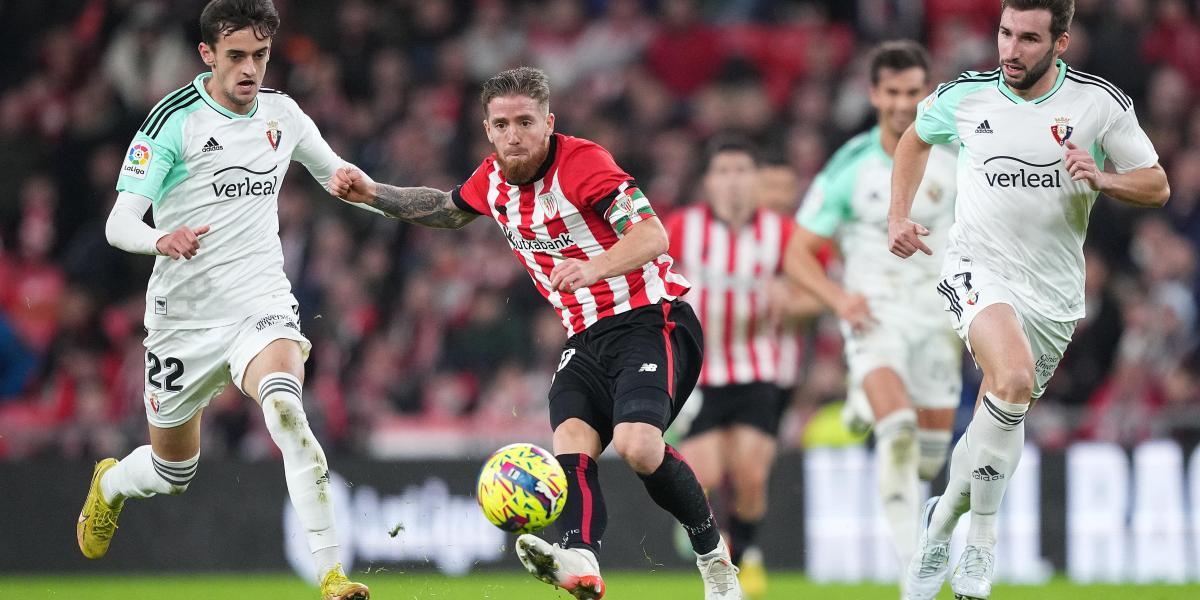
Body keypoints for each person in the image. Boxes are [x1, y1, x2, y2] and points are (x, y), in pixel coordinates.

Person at [330, 66, 743, 600]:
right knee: (571, 442)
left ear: (549, 123)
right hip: (584, 337)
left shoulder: (584, 163)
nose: (514, 135)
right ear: (487, 129)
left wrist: (594, 269)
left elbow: (652, 234)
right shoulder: (492, 180)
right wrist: (371, 193)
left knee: (638, 446)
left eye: (526, 121)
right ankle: (580, 562)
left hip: (651, 317)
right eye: (502, 124)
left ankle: (715, 561)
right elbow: (445, 210)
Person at [74, 2, 370, 599]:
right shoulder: (171, 123)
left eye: (259, 55)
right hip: (183, 319)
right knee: (172, 471)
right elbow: (117, 222)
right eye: (236, 56)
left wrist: (376, 193)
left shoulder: (284, 115)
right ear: (207, 54)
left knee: (286, 412)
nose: (250, 68)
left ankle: (332, 574)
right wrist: (161, 237)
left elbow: (337, 173)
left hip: (260, 303)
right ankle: (109, 485)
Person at [889, 2, 1169, 599]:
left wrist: (1103, 178)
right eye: (1004, 33)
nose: (1010, 50)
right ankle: (983, 542)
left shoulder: (1099, 103)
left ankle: (940, 522)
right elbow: (914, 140)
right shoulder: (967, 96)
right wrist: (898, 215)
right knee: (1011, 378)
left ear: (1061, 43)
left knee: (1000, 413)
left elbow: (1157, 183)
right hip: (976, 268)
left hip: (1055, 296)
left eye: (1029, 39)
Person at [784, 40, 961, 587]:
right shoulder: (850, 165)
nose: (903, 104)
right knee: (900, 433)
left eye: (913, 92)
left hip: (941, 320)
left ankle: (860, 407)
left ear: (927, 93)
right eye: (892, 92)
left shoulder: (958, 157)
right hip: (874, 316)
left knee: (930, 461)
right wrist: (839, 300)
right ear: (873, 94)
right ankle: (916, 574)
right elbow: (796, 253)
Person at [664, 137, 819, 598]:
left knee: (751, 478)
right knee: (704, 478)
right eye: (723, 172)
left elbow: (816, 294)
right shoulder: (681, 228)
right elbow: (649, 279)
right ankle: (719, 561)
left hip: (758, 370)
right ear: (709, 182)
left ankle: (745, 556)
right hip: (700, 374)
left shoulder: (783, 234)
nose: (733, 181)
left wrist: (791, 302)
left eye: (741, 171)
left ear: (756, 181)